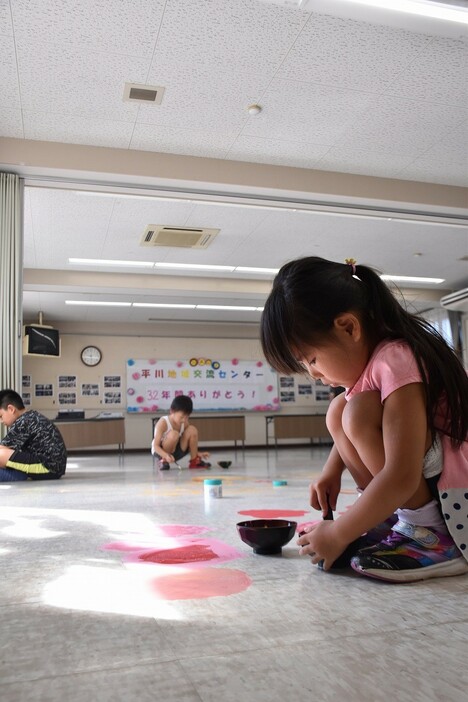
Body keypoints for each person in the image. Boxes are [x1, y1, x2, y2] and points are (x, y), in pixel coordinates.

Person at [260, 256, 468, 583]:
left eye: (312, 359)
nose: (313, 374)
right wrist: (332, 470)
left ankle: (433, 533)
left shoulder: (396, 360)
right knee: (341, 407)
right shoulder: (375, 364)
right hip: (431, 471)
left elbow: (401, 474)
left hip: (457, 475)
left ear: (348, 327)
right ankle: (392, 519)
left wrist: (340, 532)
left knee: (353, 410)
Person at [0, 389, 67, 481]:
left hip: (48, 467)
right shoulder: (31, 416)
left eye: (1, 416)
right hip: (55, 466)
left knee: (1, 454)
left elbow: (3, 448)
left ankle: (13, 475)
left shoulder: (23, 421)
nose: (1, 421)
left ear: (11, 409)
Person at [151, 395, 211, 470]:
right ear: (172, 411)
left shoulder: (184, 423)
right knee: (174, 434)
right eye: (182, 417)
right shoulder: (163, 423)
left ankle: (194, 461)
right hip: (161, 453)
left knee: (192, 429)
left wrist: (196, 453)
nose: (184, 420)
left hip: (176, 452)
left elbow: (189, 443)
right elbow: (156, 446)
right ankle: (163, 461)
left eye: (187, 417)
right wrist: (166, 455)